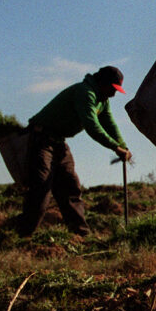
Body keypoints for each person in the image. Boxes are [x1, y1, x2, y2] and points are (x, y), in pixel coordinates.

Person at [15, 66, 132, 237]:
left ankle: (80, 235)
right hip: (41, 139)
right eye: (112, 89)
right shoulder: (85, 93)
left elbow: (109, 123)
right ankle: (22, 235)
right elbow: (91, 125)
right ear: (103, 83)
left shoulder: (102, 100)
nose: (113, 94)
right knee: (41, 189)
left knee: (70, 188)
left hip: (59, 142)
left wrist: (123, 145)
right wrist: (115, 147)